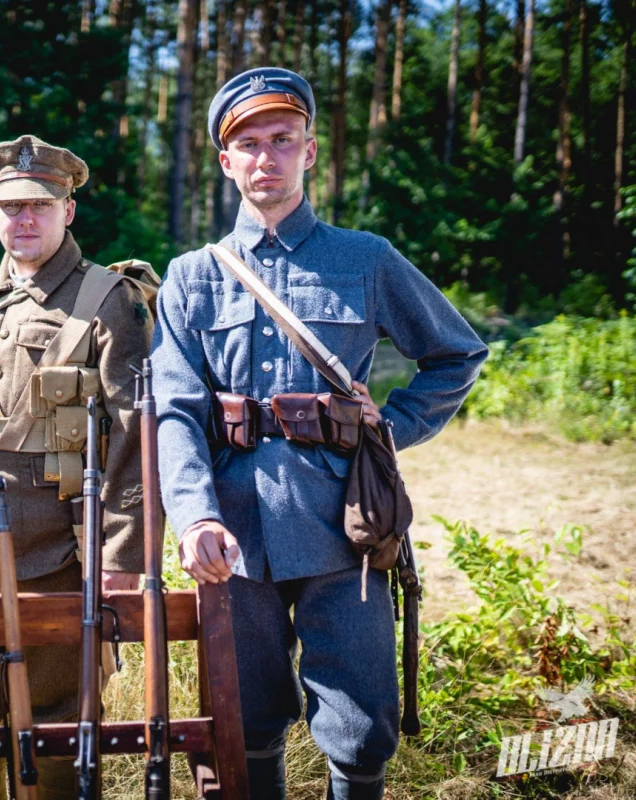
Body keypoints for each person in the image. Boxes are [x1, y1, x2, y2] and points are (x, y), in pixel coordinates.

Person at [151, 68, 488, 799]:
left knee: (362, 725)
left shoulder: (363, 259)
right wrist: (194, 513)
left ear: (309, 152)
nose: (266, 156)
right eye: (249, 142)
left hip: (346, 526)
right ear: (225, 160)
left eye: (283, 139)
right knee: (244, 717)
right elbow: (173, 407)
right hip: (233, 532)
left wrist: (389, 431)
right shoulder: (190, 277)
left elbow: (458, 354)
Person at [0, 134, 152, 798]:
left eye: (39, 206)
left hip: (58, 546)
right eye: (9, 206)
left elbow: (135, 437)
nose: (23, 219)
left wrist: (122, 558)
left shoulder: (109, 299)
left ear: (68, 211)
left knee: (56, 715)